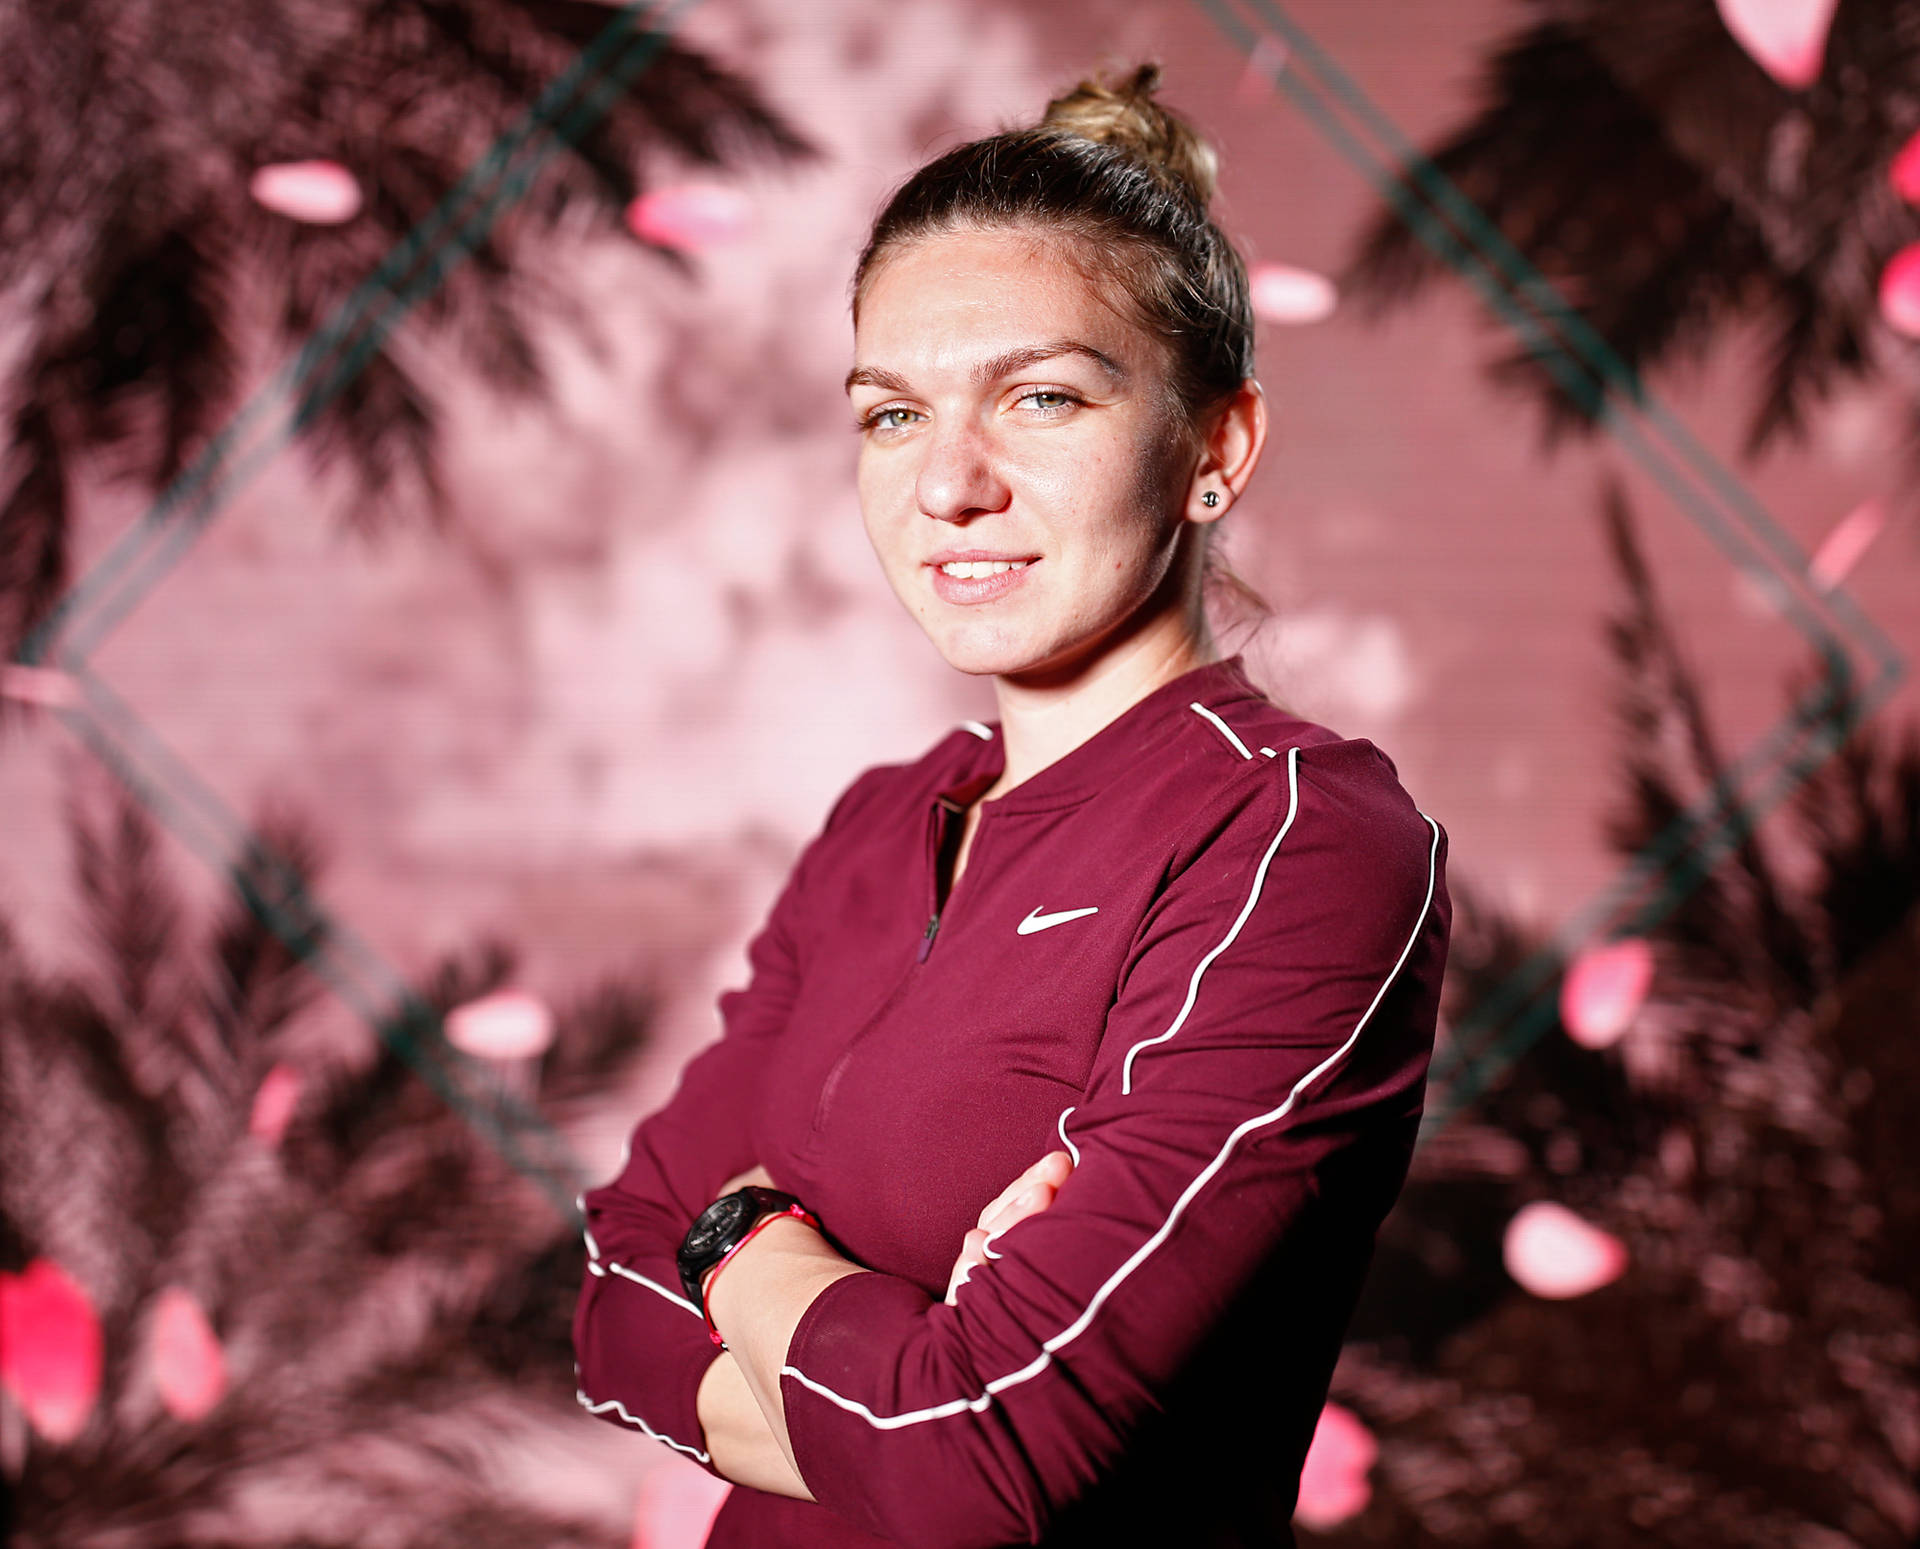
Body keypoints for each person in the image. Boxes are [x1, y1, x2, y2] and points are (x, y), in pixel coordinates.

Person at [573, 63, 1450, 1549]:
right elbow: (610, 1303)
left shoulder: (1299, 841)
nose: (949, 485)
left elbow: (981, 1458)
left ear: (1215, 450)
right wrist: (883, 1359)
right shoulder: (876, 824)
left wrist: (741, 1239)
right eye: (893, 414)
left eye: (1041, 397)